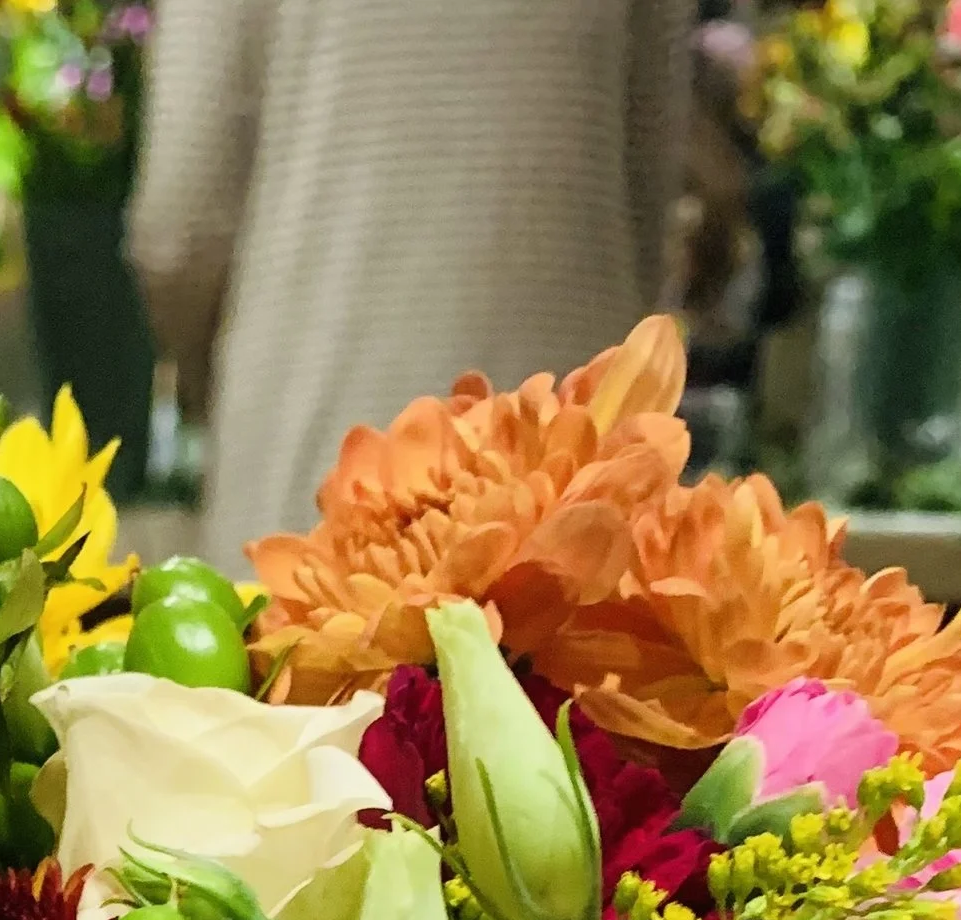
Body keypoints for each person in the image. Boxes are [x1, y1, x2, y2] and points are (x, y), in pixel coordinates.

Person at [129, 0, 694, 571]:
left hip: (311, 467)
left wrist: (210, 392)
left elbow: (180, 226)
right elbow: (647, 196)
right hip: (572, 492)